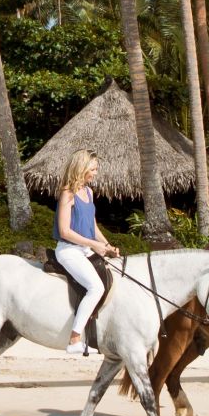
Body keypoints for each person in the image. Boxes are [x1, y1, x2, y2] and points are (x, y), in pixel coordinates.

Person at [54, 150, 117, 355]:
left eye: (96, 169)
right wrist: (93, 244)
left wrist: (107, 246)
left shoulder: (88, 192)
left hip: (86, 249)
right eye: (93, 168)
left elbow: (93, 227)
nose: (95, 173)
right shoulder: (67, 193)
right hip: (69, 251)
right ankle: (74, 338)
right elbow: (65, 231)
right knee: (96, 287)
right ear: (81, 167)